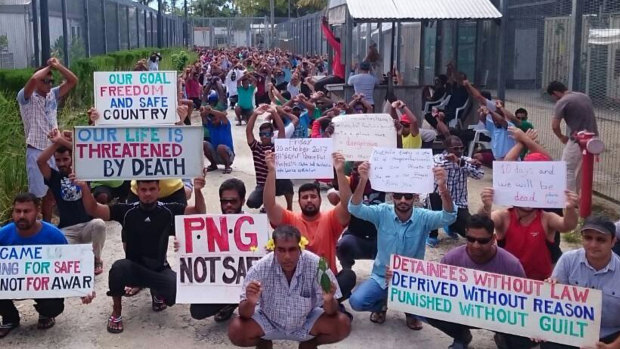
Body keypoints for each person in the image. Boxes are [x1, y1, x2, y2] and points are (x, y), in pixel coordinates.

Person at [74, 177, 206, 334]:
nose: (148, 194)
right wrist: (83, 186)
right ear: (137, 191)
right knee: (118, 269)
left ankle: (157, 293)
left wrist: (197, 190)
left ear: (159, 190)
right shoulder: (126, 210)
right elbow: (93, 209)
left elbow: (198, 212)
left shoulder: (169, 210)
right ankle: (116, 311)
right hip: (133, 271)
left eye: (151, 189)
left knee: (177, 292)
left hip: (159, 269)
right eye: (143, 190)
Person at [348, 162, 456, 329]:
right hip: (381, 277)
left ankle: (410, 312)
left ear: (415, 197)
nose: (403, 200)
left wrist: (442, 187)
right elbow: (355, 208)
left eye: (408, 196)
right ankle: (381, 305)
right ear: (392, 196)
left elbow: (449, 217)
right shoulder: (382, 212)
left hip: (411, 281)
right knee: (356, 301)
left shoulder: (424, 217)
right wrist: (363, 180)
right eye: (398, 196)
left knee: (431, 311)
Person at [227, 225, 351, 349]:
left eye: (292, 249)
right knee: (236, 330)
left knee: (342, 324)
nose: (287, 256)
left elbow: (332, 311)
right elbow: (244, 313)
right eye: (281, 250)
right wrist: (251, 302)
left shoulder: (317, 265)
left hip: (306, 322)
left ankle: (310, 342)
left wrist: (329, 300)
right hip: (269, 321)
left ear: (300, 249)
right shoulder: (259, 268)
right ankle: (262, 341)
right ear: (274, 250)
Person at [423, 214, 535, 349]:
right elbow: (437, 292)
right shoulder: (451, 259)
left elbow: (525, 304)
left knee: (528, 339)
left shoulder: (512, 265)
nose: (476, 245)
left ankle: (504, 338)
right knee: (429, 309)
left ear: (493, 239)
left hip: (500, 317)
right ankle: (461, 336)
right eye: (470, 239)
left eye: (482, 241)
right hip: (463, 312)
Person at [262, 151, 356, 300]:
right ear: (298, 202)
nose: (309, 200)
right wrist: (272, 171)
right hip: (298, 284)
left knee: (348, 276)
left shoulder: (330, 218)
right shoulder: (290, 219)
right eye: (305, 197)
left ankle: (326, 305)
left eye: (313, 196)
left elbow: (347, 205)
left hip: (326, 283)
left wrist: (339, 171)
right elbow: (269, 205)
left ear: (320, 199)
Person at [0, 193, 94, 338]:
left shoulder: (54, 236)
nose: (21, 215)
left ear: (37, 211)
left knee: (53, 307)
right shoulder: (3, 235)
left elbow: (68, 268)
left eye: (27, 211)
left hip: (43, 286)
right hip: (13, 284)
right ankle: (9, 318)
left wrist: (82, 291)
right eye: (17, 211)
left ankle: (45, 313)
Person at [541, 216, 620, 349]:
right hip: (571, 330)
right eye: (588, 238)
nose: (593, 244)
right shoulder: (568, 260)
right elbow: (552, 305)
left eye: (601, 239)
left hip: (609, 336)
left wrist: (612, 347)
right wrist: (551, 289)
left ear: (613, 242)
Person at [37, 129, 107, 275]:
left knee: (99, 224)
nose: (61, 163)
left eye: (65, 159)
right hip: (67, 231)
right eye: (58, 160)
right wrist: (56, 144)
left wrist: (61, 140)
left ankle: (97, 259)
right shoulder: (54, 178)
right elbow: (40, 161)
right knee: (64, 262)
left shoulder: (84, 172)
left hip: (87, 225)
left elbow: (86, 151)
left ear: (72, 159)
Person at [18, 57, 78, 221]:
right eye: (45, 81)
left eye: (51, 81)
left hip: (54, 148)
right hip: (36, 149)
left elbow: (73, 80)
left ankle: (48, 224)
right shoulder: (26, 97)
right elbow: (34, 79)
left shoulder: (53, 94)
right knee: (37, 195)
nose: (49, 84)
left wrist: (58, 66)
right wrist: (49, 66)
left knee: (52, 195)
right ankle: (36, 225)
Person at [480, 187, 579, 281]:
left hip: (540, 282)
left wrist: (570, 209)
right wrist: (486, 207)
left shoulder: (546, 218)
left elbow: (567, 226)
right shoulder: (504, 216)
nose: (528, 198)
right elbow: (483, 225)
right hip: (509, 280)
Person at [190, 178, 249, 323]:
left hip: (247, 288)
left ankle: (241, 304)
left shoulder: (253, 227)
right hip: (222, 283)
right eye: (224, 201)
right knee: (197, 311)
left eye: (233, 201)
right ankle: (229, 303)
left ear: (242, 201)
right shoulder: (212, 225)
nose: (228, 205)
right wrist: (183, 248)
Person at [426, 136, 484, 247]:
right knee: (433, 200)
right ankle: (432, 234)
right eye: (455, 148)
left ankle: (451, 225)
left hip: (458, 203)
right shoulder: (436, 158)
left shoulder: (464, 160)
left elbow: (480, 174)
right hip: (439, 199)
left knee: (469, 231)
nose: (459, 151)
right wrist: (463, 163)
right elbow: (435, 167)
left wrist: (459, 162)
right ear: (447, 148)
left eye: (461, 148)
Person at [547, 81, 599, 193]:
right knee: (582, 169)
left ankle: (569, 200)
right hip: (593, 138)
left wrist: (561, 137)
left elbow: (555, 126)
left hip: (579, 139)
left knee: (567, 168)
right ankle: (579, 197)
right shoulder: (584, 96)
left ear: (555, 92)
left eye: (553, 96)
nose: (554, 99)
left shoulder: (562, 102)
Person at [245, 105, 294, 211]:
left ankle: (289, 207)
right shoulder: (256, 147)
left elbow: (281, 130)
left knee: (287, 183)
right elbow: (249, 131)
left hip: (278, 182)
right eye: (261, 134)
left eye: (266, 134)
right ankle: (267, 204)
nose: (263, 136)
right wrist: (255, 114)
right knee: (251, 202)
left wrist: (274, 113)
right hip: (263, 185)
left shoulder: (276, 147)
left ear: (272, 135)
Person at [314, 16, 345, 93]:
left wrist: (324, 26)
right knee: (318, 83)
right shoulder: (339, 51)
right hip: (336, 76)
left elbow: (330, 38)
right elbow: (332, 37)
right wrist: (326, 25)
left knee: (318, 84)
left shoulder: (341, 49)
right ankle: (323, 95)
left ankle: (321, 98)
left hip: (340, 77)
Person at [202, 105, 235, 174]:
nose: (213, 120)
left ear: (219, 118)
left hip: (228, 154)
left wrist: (210, 111)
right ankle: (213, 165)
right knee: (204, 144)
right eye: (212, 119)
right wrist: (204, 110)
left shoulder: (225, 125)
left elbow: (223, 116)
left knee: (220, 147)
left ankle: (227, 166)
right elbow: (203, 116)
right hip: (216, 153)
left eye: (215, 118)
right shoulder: (210, 125)